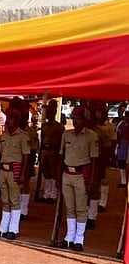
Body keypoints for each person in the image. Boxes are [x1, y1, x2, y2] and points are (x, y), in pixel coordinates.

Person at [54, 106, 99, 252]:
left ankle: (79, 239)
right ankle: (69, 237)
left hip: (81, 175)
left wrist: (92, 181)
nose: (75, 121)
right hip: (67, 174)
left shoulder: (91, 136)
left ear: (85, 120)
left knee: (81, 208)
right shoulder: (66, 135)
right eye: (74, 117)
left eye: (78, 118)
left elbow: (94, 160)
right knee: (70, 208)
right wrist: (58, 177)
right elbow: (61, 156)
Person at [0, 107, 30, 240]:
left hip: (15, 170)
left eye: (11, 119)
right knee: (5, 200)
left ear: (17, 121)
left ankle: (13, 229)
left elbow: (26, 157)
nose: (8, 122)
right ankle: (3, 228)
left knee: (14, 200)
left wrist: (22, 174)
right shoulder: (4, 135)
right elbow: (0, 154)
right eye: (8, 119)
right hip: (4, 170)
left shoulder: (22, 136)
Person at [39, 101, 65, 202]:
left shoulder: (59, 127)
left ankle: (53, 195)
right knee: (46, 173)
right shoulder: (44, 126)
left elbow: (60, 142)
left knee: (54, 173)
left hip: (54, 151)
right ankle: (46, 194)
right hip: (45, 149)